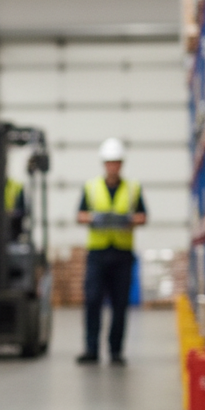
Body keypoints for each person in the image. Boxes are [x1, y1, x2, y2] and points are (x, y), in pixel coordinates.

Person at [75, 137, 147, 365]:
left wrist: (127, 219)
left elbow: (143, 216)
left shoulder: (133, 188)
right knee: (93, 300)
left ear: (121, 164)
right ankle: (91, 349)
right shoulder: (91, 187)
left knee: (120, 303)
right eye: (109, 162)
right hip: (98, 253)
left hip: (122, 254)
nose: (113, 166)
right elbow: (80, 215)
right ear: (104, 164)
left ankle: (116, 351)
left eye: (116, 162)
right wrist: (96, 218)